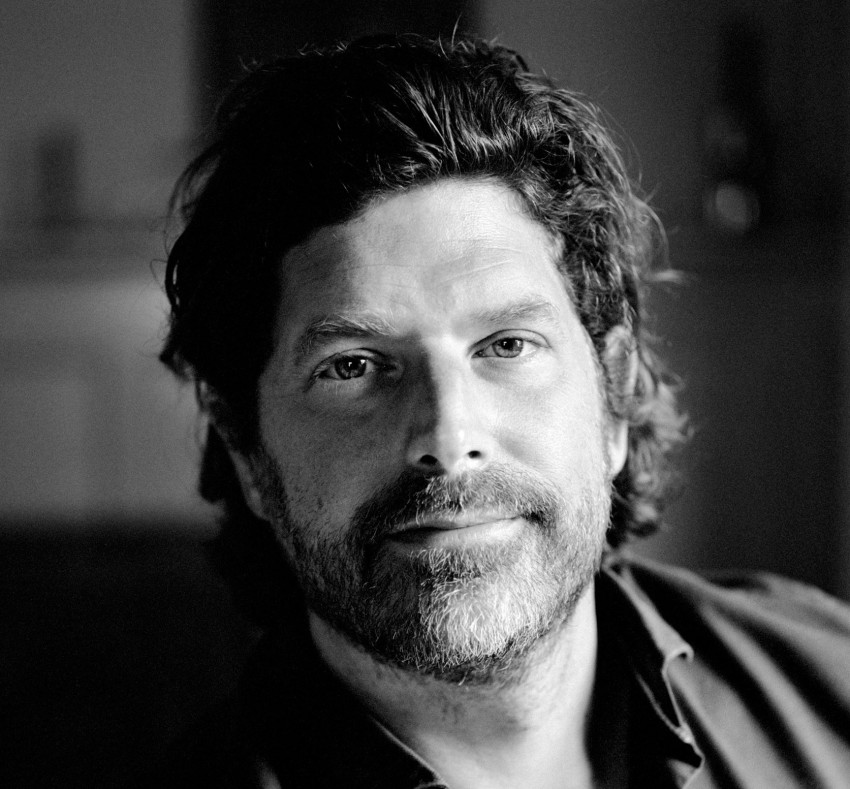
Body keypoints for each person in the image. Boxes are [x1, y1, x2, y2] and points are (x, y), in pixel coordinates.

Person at [157, 33, 850, 788]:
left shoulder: (825, 678)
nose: (449, 436)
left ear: (614, 398)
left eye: (507, 345)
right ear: (246, 449)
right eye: (352, 366)